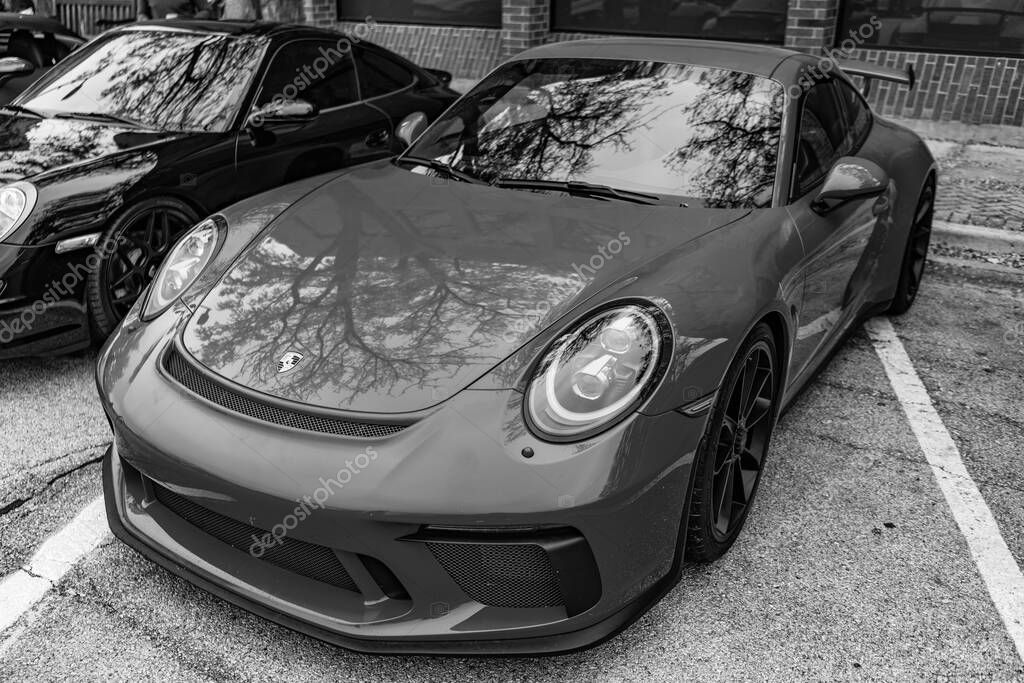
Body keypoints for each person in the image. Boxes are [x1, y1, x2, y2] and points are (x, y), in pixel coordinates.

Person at [136, 0, 208, 20]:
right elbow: (142, 14)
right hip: (157, 38)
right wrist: (144, 21)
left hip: (186, 37)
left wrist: (192, 21)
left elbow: (206, 10)